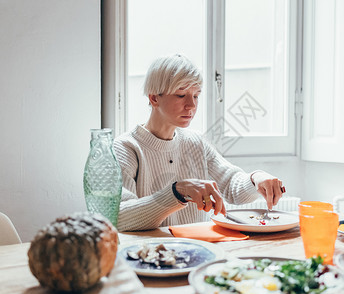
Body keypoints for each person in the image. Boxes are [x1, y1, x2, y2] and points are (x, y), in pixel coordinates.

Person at [113, 54, 285, 231]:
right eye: (181, 95)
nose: (191, 105)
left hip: (200, 250)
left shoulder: (196, 142)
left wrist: (257, 178)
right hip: (152, 255)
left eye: (196, 96)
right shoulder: (126, 148)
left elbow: (233, 186)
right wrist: (177, 192)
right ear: (154, 98)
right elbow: (121, 218)